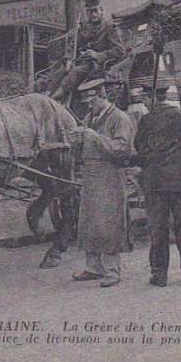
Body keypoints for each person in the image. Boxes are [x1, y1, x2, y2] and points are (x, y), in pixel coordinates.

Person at [134, 82, 181, 287]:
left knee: (158, 230)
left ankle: (159, 274)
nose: (144, 104)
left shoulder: (147, 121)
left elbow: (139, 148)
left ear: (153, 98)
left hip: (156, 184)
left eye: (145, 99)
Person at [71, 78, 132, 288]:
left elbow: (122, 149)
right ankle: (93, 267)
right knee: (89, 220)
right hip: (90, 175)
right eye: (86, 103)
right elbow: (80, 151)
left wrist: (95, 137)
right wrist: (76, 142)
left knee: (109, 221)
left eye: (90, 101)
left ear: (101, 96)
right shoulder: (90, 118)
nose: (87, 106)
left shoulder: (119, 118)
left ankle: (113, 271)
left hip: (109, 176)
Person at [50, 0, 125, 102]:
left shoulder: (110, 28)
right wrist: (69, 58)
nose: (93, 14)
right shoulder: (85, 26)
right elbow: (73, 44)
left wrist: (98, 55)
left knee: (76, 71)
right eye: (90, 11)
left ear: (101, 10)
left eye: (96, 11)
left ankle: (56, 96)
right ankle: (47, 94)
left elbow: (119, 50)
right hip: (82, 59)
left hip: (97, 65)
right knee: (60, 70)